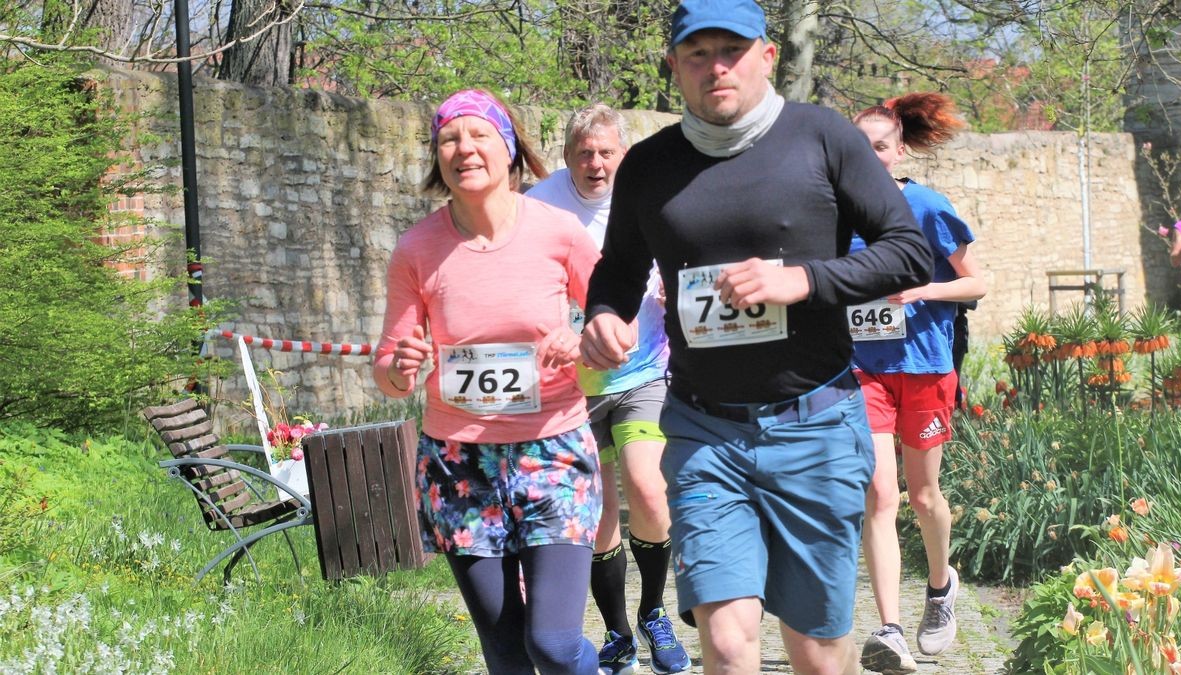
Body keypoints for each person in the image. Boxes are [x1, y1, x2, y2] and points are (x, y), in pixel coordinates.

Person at [580, 0, 934, 669]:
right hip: (703, 429)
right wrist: (604, 313)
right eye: (697, 54)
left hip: (817, 425)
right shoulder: (648, 166)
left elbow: (908, 251)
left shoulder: (823, 138)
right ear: (673, 68)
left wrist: (804, 281)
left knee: (816, 651)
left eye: (732, 51)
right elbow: (619, 269)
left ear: (766, 56)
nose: (716, 67)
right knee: (726, 637)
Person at [373, 88, 603, 674]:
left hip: (553, 450)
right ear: (436, 157)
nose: (463, 149)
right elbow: (389, 368)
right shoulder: (416, 249)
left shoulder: (560, 232)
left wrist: (583, 343)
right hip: (458, 463)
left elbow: (615, 323)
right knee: (505, 654)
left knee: (551, 644)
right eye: (449, 138)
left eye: (478, 135)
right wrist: (400, 367)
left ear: (509, 149)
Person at [527, 105, 691, 675]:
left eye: (606, 153)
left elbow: (690, 252)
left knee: (648, 489)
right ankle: (617, 633)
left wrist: (679, 285)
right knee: (596, 512)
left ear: (623, 154)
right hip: (570, 386)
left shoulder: (648, 194)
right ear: (568, 156)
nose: (596, 164)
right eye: (585, 154)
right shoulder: (538, 204)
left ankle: (653, 612)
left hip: (642, 370)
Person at [849, 93, 988, 673]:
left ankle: (939, 588)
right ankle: (889, 630)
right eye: (858, 148)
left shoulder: (926, 205)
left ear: (898, 149)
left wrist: (921, 291)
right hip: (863, 368)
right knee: (879, 494)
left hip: (926, 366)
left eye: (879, 147)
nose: (869, 156)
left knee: (923, 495)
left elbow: (976, 284)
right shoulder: (834, 213)